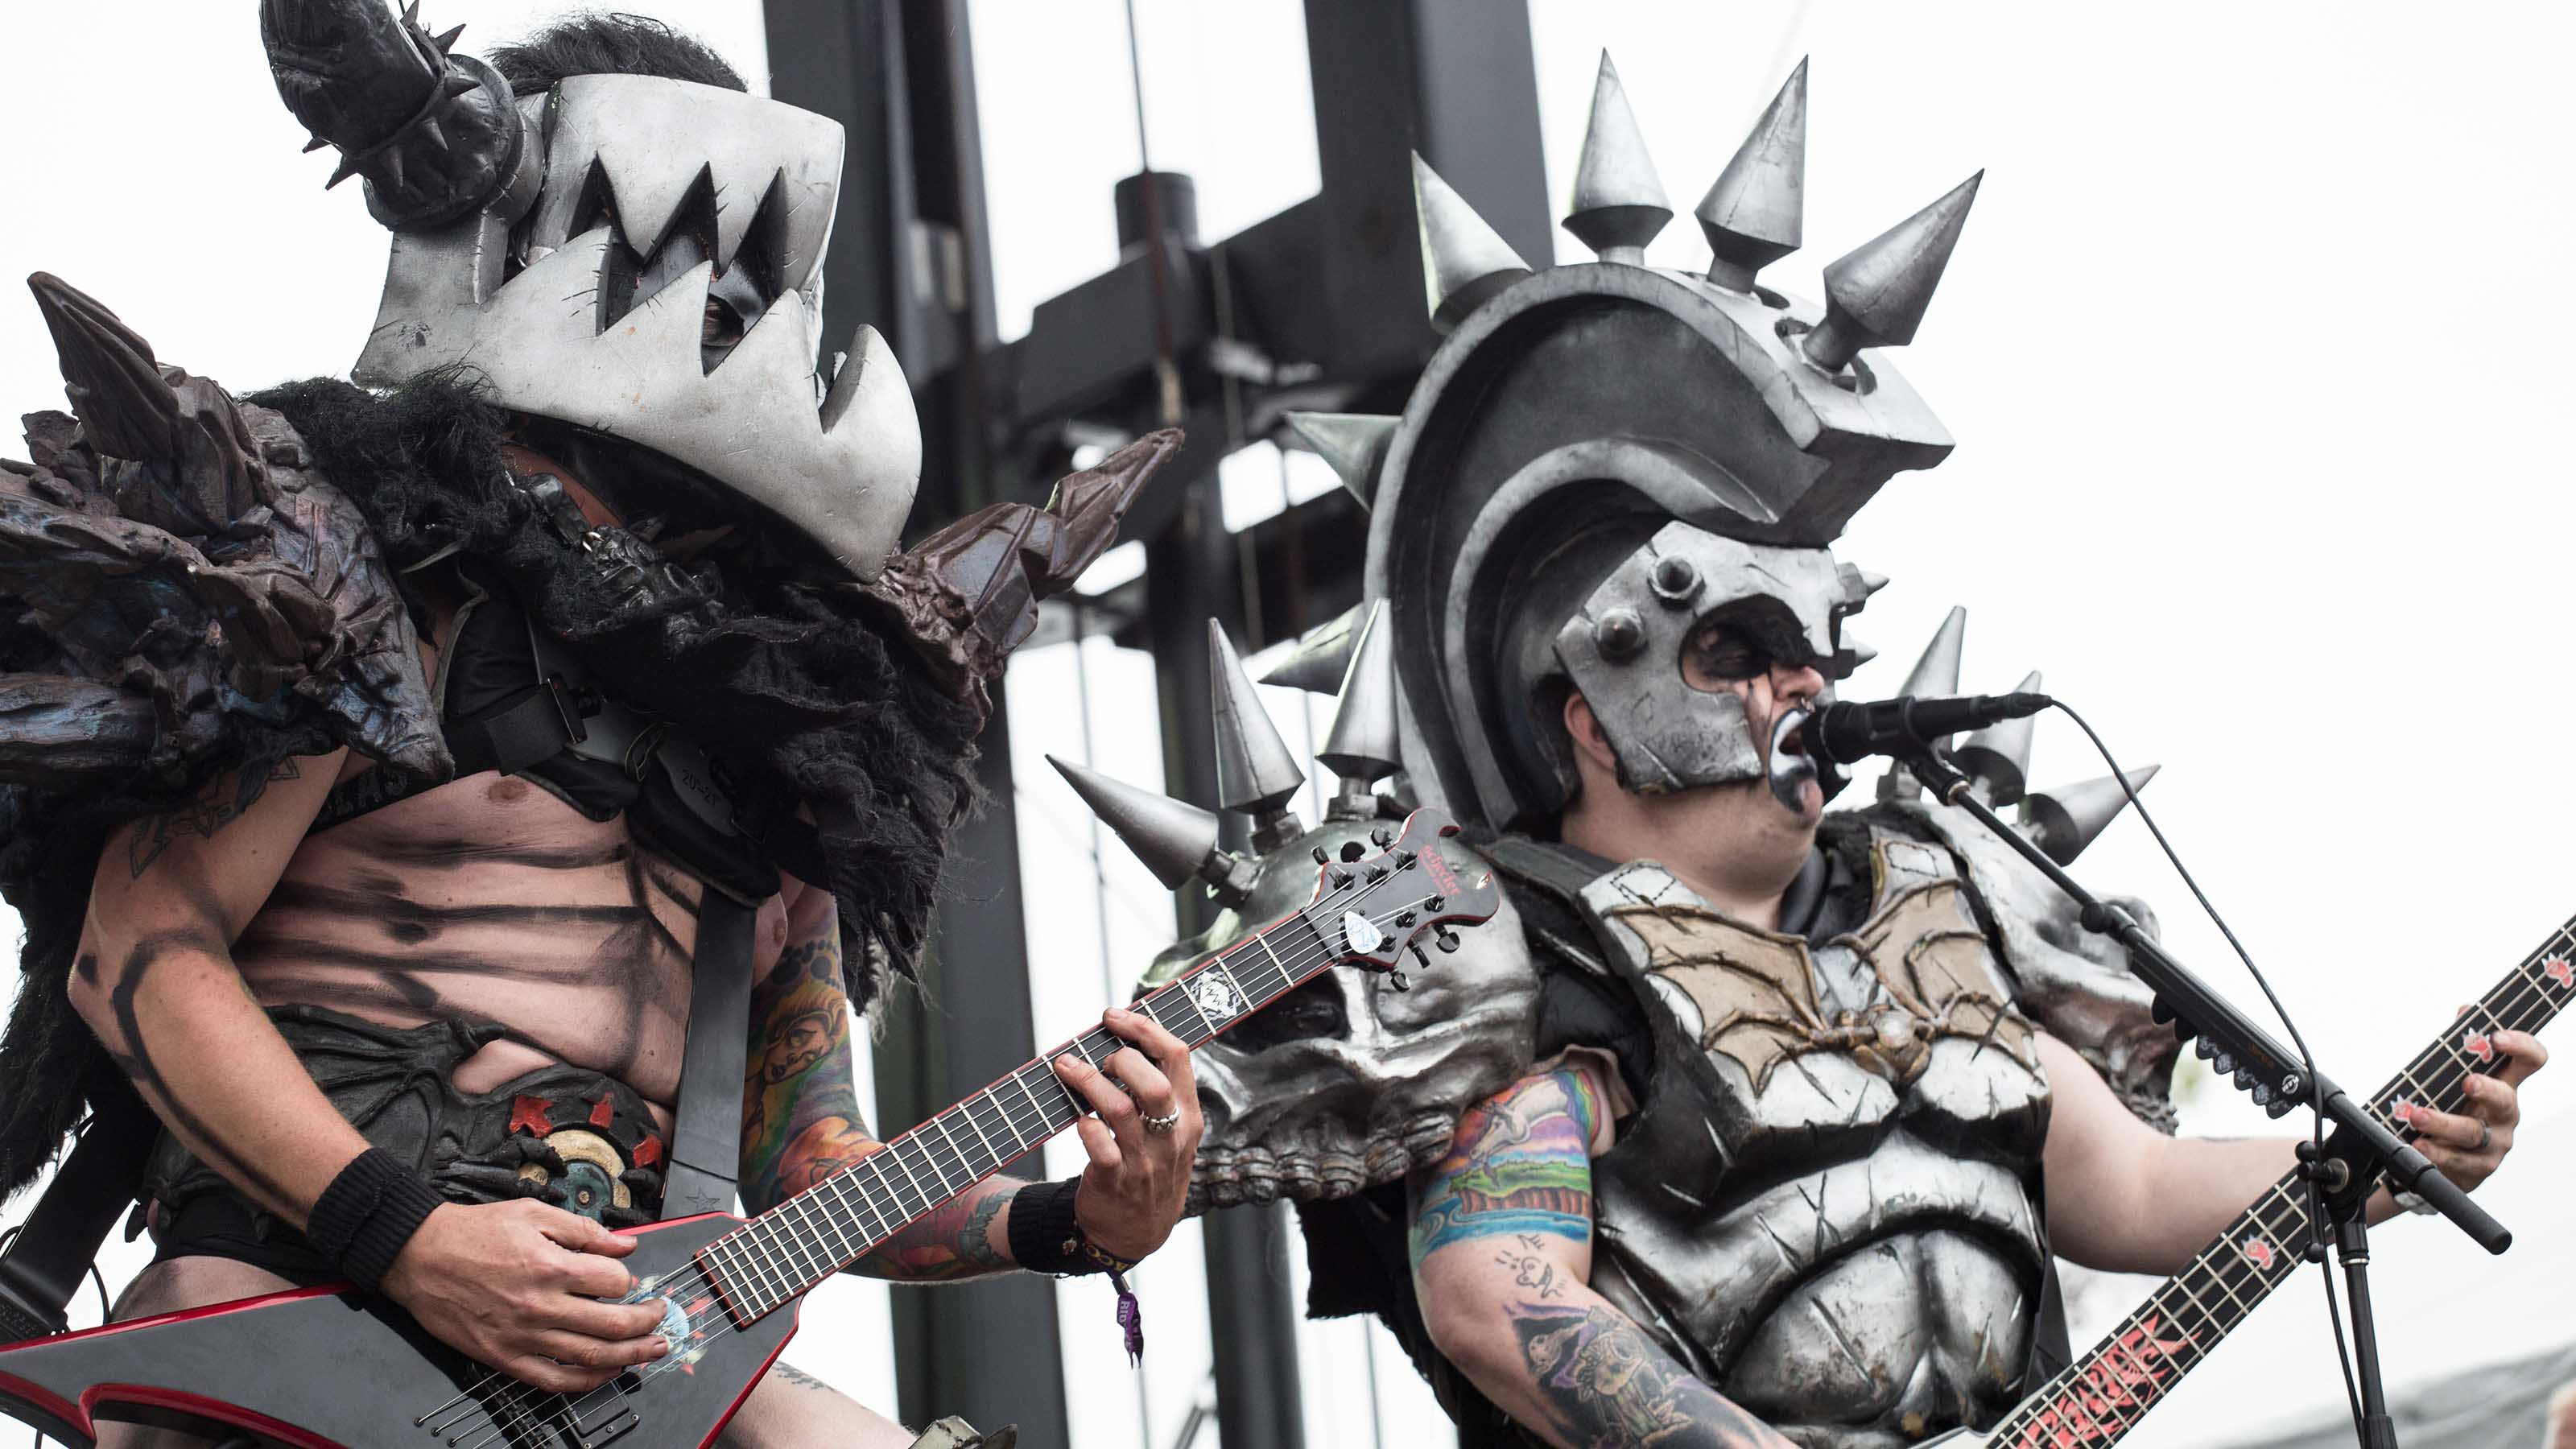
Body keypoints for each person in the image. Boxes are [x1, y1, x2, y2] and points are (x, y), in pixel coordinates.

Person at [1067, 55, 2548, 1449]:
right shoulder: (1537, 957)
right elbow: (1499, 1302)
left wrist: (2388, 1160)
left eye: (1814, 648)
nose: (1800, 682)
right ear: (1588, 708)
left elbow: (2141, 1189)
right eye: (1734, 649)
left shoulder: (1938, 902)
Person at [0, 8, 1199, 1447]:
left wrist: (1072, 1218)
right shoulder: (378, 577)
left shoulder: (790, 727)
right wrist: (412, 1240)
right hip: (297, 1313)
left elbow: (815, 1163)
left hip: (623, 1357)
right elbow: (142, 951)